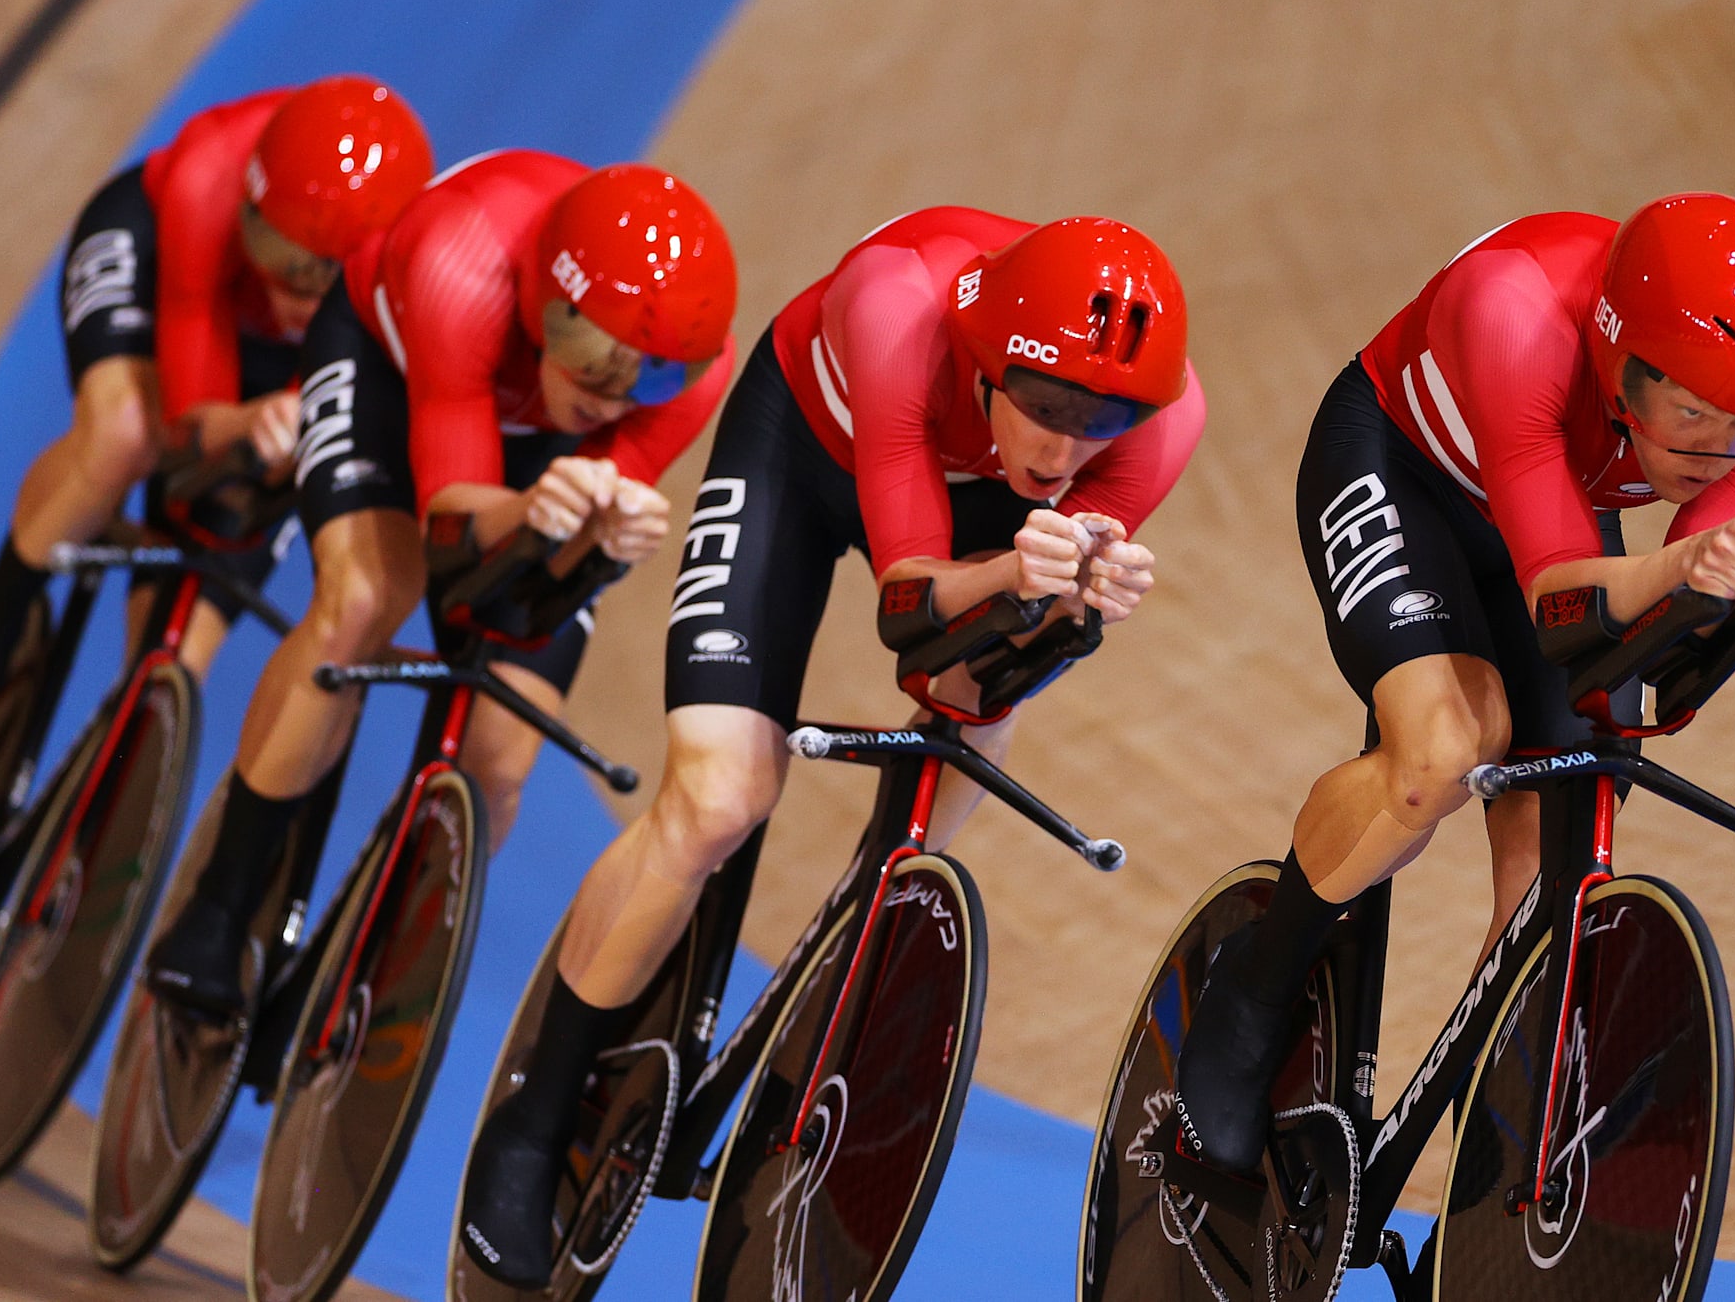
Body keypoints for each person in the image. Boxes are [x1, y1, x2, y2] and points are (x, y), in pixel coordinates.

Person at [457, 207, 1210, 1289]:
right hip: (807, 456)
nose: (1067, 448)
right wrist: (1017, 576)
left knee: (952, 769)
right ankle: (533, 1122)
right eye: (1046, 407)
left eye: (1104, 420)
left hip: (979, 512)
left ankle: (841, 970)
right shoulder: (894, 305)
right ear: (992, 361)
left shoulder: (1160, 422)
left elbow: (962, 670)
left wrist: (1074, 611)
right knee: (721, 797)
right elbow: (908, 611)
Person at [1171, 192, 1735, 1173]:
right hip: (1404, 470)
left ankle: (1493, 1141)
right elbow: (1560, 603)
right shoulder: (1512, 310)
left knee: (1558, 856)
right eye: (1689, 413)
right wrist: (1685, 575)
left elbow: (1654, 659)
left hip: (1551, 510)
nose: (1715, 451)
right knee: (1442, 753)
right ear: (1619, 365)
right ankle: (1256, 981)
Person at [141, 155, 739, 1020]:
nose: (616, 399)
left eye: (648, 376)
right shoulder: (464, 264)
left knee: (499, 761)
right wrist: (535, 511)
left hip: (533, 453)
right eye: (593, 357)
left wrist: (603, 541)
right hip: (395, 377)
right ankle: (218, 909)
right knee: (362, 604)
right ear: (541, 298)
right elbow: (450, 527)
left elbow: (560, 553)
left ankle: (374, 973)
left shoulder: (694, 374)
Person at [0, 77, 432, 812]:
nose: (294, 287)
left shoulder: (407, 277)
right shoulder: (205, 180)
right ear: (251, 201)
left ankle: (92, 804)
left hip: (280, 361)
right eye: (278, 248)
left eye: (325, 277)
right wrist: (246, 424)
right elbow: (189, 424)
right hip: (166, 268)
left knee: (179, 661)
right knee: (125, 434)